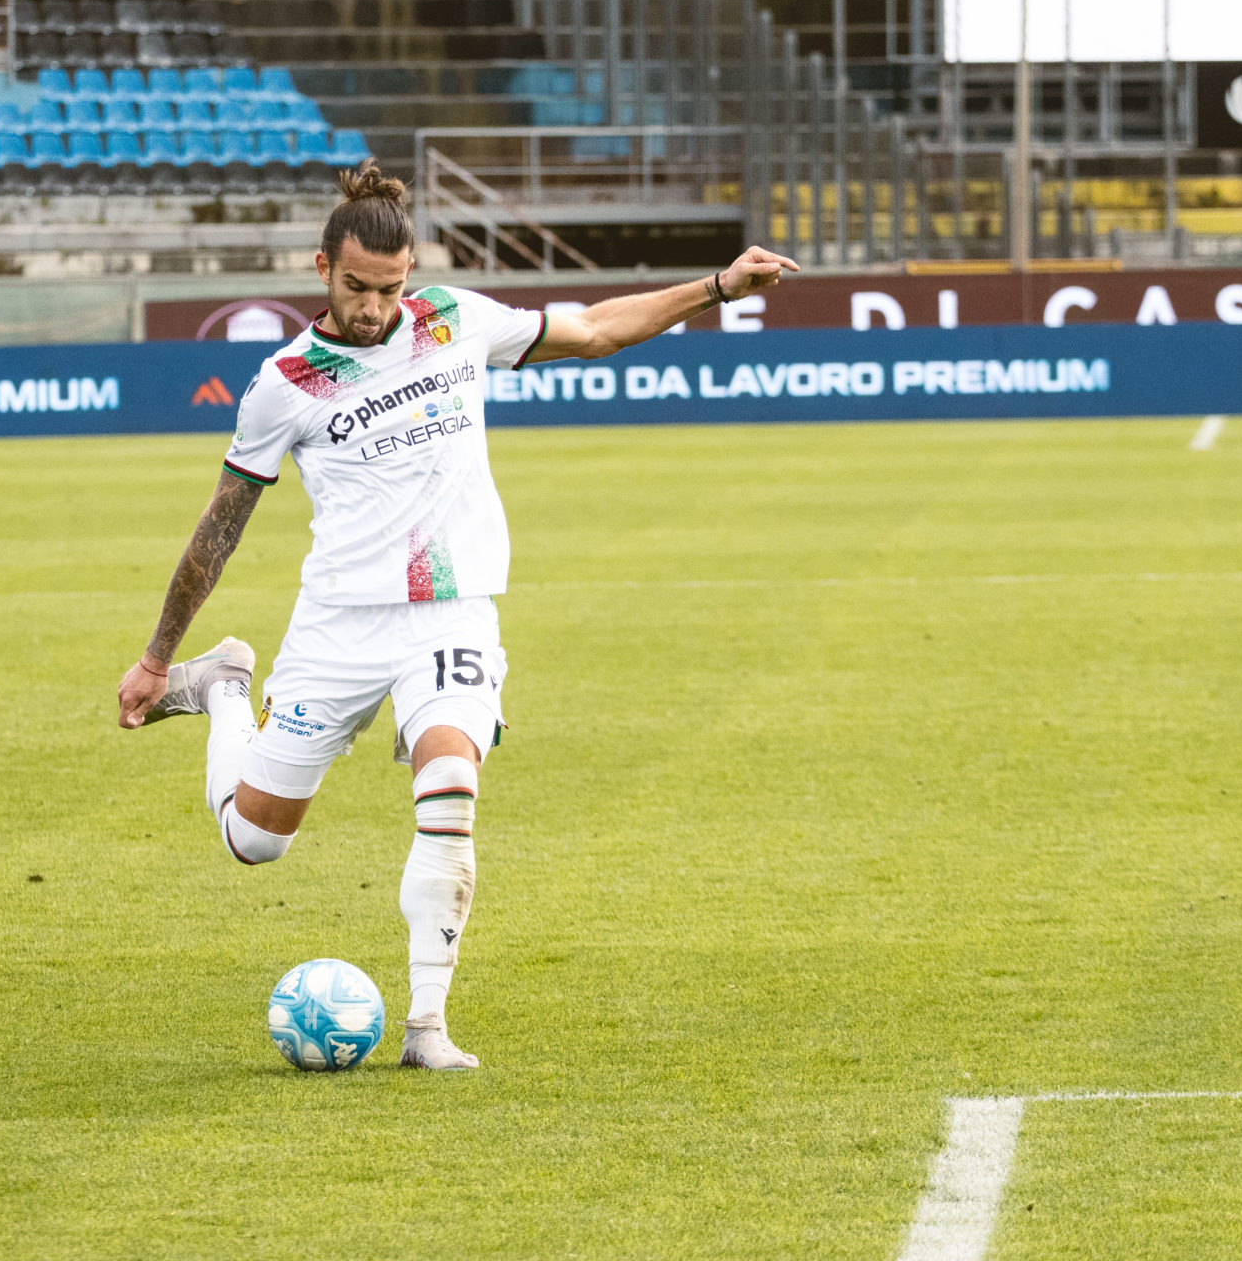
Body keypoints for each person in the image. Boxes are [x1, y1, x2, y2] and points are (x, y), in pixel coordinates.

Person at [116, 161, 798, 1069]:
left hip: (451, 613)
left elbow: (595, 329)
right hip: (338, 624)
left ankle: (427, 1028)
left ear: (412, 274)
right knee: (254, 842)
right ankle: (225, 687)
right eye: (356, 287)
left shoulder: (452, 320)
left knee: (450, 788)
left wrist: (716, 286)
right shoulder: (285, 383)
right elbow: (222, 524)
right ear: (322, 268)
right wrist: (158, 657)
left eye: (389, 287)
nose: (373, 307)